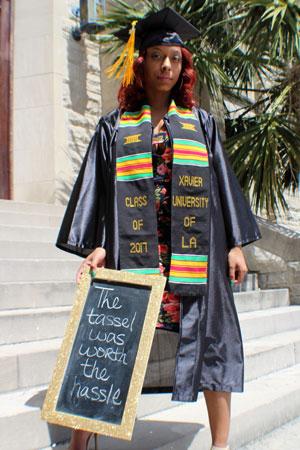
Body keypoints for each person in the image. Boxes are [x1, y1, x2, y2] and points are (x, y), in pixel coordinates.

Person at [56, 7, 261, 450]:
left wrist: (237, 246)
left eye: (174, 57)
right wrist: (97, 245)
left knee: (212, 340)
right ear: (141, 62)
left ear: (183, 66)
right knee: (107, 339)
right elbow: (98, 189)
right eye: (157, 56)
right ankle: (78, 443)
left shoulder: (199, 123)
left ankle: (220, 446)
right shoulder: (115, 127)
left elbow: (222, 183)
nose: (167, 65)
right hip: (134, 248)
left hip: (193, 248)